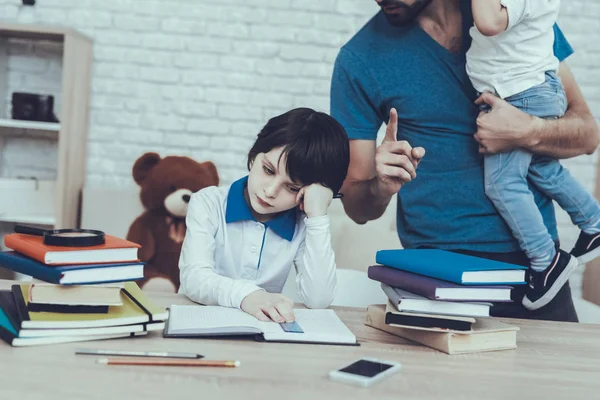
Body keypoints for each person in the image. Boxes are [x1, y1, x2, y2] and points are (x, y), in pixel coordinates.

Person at [330, 0, 599, 322]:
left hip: (540, 270)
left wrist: (528, 131)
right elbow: (358, 208)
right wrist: (382, 184)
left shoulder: (507, 13)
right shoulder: (359, 58)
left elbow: (587, 135)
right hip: (437, 276)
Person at [466, 0, 600, 311]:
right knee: (541, 169)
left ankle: (546, 261)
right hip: (526, 89)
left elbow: (488, 21)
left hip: (523, 93)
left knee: (502, 183)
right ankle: (593, 222)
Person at [179, 108, 350, 323]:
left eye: (292, 187)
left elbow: (319, 299)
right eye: (268, 170)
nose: (270, 191)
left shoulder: (304, 224)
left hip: (260, 337)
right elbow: (193, 278)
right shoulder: (208, 202)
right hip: (196, 324)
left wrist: (317, 216)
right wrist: (248, 296)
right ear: (254, 154)